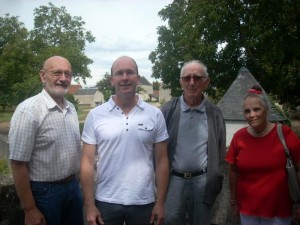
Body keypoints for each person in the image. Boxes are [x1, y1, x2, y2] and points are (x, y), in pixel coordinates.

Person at [80, 56, 169, 225]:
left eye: (130, 72)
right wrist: (90, 205)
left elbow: (162, 160)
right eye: (119, 73)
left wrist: (160, 203)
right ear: (111, 80)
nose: (125, 77)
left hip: (144, 202)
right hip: (105, 201)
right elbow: (87, 162)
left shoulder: (155, 114)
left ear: (138, 78)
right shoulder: (95, 115)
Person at [9, 56, 84, 225]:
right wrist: (30, 209)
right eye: (57, 73)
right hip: (45, 193)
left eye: (68, 74)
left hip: (72, 187)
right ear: (43, 76)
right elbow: (17, 164)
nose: (63, 79)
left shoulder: (70, 108)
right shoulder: (28, 111)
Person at [161, 60, 226, 225]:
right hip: (173, 181)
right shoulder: (167, 110)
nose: (191, 83)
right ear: (180, 81)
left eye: (197, 78)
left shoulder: (215, 114)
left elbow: (219, 152)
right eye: (187, 78)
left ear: (206, 82)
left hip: (203, 182)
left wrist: (215, 179)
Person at [225, 85, 300, 225]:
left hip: (279, 210)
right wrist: (233, 201)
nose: (251, 114)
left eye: (256, 109)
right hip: (248, 209)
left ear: (266, 110)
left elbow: (298, 167)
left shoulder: (284, 133)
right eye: (247, 111)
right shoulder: (239, 137)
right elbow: (233, 171)